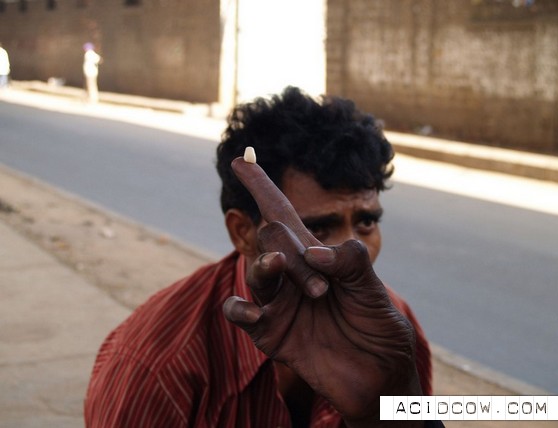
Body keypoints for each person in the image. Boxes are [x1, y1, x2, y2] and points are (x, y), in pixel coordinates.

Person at [84, 87, 436, 427]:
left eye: (366, 222)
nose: (354, 253)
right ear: (243, 232)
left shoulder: (391, 328)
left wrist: (385, 411)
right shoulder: (157, 364)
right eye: (318, 228)